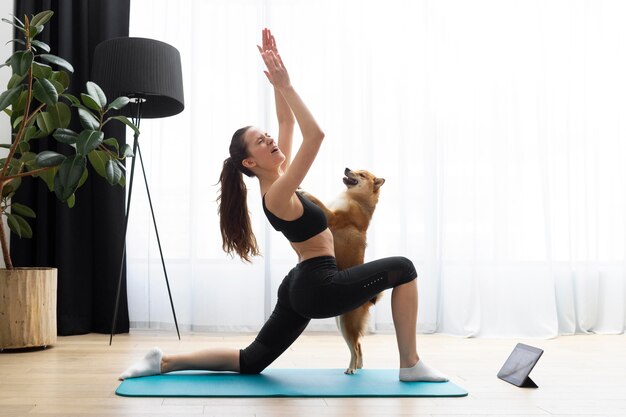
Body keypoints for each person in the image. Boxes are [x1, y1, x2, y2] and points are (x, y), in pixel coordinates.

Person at [119, 28, 447, 383]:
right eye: (261, 141)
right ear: (249, 163)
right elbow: (316, 136)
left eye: (267, 135)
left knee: (252, 359)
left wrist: (276, 79)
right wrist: (288, 86)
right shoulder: (276, 194)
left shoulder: (278, 180)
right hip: (319, 286)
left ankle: (163, 361)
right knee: (404, 268)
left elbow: (288, 121)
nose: (270, 139)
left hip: (301, 284)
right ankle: (410, 364)